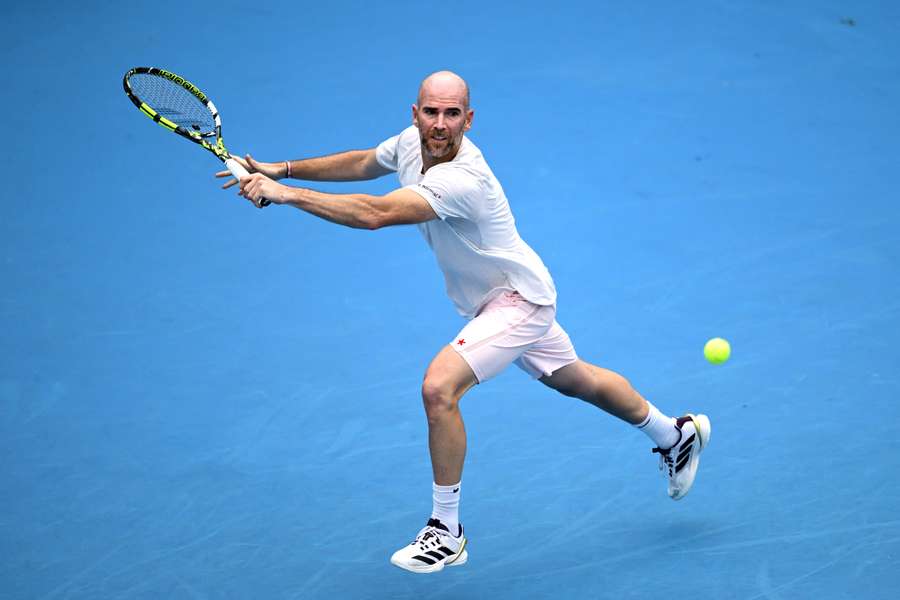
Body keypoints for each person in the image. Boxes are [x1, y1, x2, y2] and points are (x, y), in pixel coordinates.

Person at [217, 71, 711, 574]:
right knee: (577, 380)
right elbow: (367, 162)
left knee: (439, 389)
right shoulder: (410, 143)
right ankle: (675, 434)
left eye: (452, 114)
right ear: (415, 114)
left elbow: (374, 214)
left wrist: (287, 195)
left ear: (468, 120)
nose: (439, 123)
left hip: (518, 301)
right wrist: (282, 169)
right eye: (431, 111)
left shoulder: (462, 179)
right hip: (497, 298)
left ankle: (445, 531)